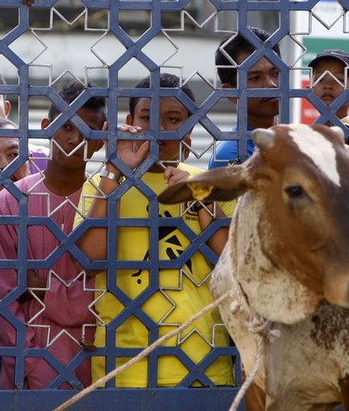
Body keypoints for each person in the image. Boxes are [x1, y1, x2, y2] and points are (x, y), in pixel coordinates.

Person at [75, 73, 233, 387]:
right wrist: (114, 173)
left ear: (190, 127)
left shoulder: (214, 185)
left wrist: (199, 196)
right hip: (124, 365)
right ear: (131, 121)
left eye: (173, 119)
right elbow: (89, 259)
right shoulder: (101, 184)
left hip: (204, 364)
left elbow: (230, 263)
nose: (160, 128)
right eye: (148, 117)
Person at [0, 82, 107, 389]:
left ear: (101, 139)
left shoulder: (107, 201)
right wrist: (26, 361)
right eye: (66, 125)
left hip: (98, 357)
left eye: (87, 130)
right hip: (34, 361)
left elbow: (108, 292)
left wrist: (42, 288)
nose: (75, 139)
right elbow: (6, 293)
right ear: (46, 127)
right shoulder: (12, 200)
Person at [208, 27, 281, 169]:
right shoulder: (231, 154)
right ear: (231, 92)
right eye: (255, 78)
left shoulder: (294, 138)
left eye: (276, 73)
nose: (271, 84)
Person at [308, 49, 349, 126]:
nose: (328, 86)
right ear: (308, 91)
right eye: (320, 79)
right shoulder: (306, 134)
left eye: (339, 80)